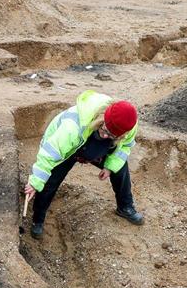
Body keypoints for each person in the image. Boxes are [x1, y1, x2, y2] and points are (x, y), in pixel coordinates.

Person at [24, 91, 143, 238]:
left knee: (121, 168)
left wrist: (110, 166)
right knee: (50, 181)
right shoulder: (73, 126)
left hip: (94, 144)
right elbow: (49, 154)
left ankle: (125, 207)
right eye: (105, 131)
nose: (106, 136)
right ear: (102, 119)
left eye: (112, 136)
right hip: (69, 147)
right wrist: (36, 182)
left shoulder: (129, 126)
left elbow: (125, 147)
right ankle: (38, 219)